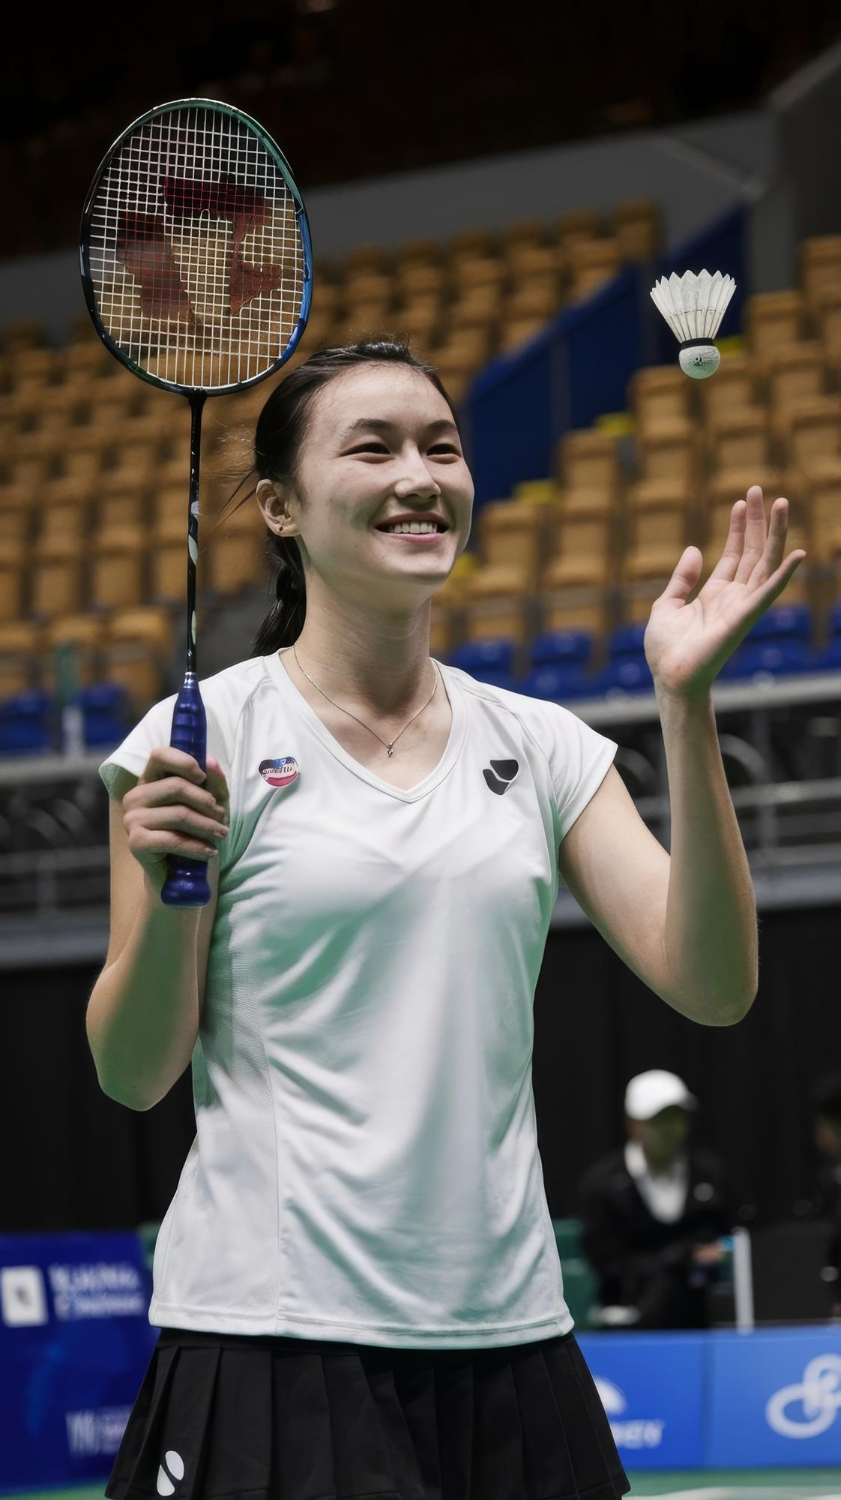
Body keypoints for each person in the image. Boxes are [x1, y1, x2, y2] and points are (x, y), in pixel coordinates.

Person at [86, 340, 804, 1500]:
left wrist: (685, 703)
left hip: (509, 1338)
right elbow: (133, 1073)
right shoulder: (202, 741)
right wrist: (173, 885)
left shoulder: (542, 744)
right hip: (275, 1336)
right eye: (371, 449)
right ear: (279, 506)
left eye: (442, 447)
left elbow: (713, 985)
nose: (419, 476)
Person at [578, 1070, 731, 1330]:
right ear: (633, 1124)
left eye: (677, 1117)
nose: (670, 1128)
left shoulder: (709, 1173)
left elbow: (726, 1237)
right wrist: (677, 1259)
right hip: (627, 1319)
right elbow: (606, 1260)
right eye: (659, 1119)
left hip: (701, 1318)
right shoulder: (603, 1184)